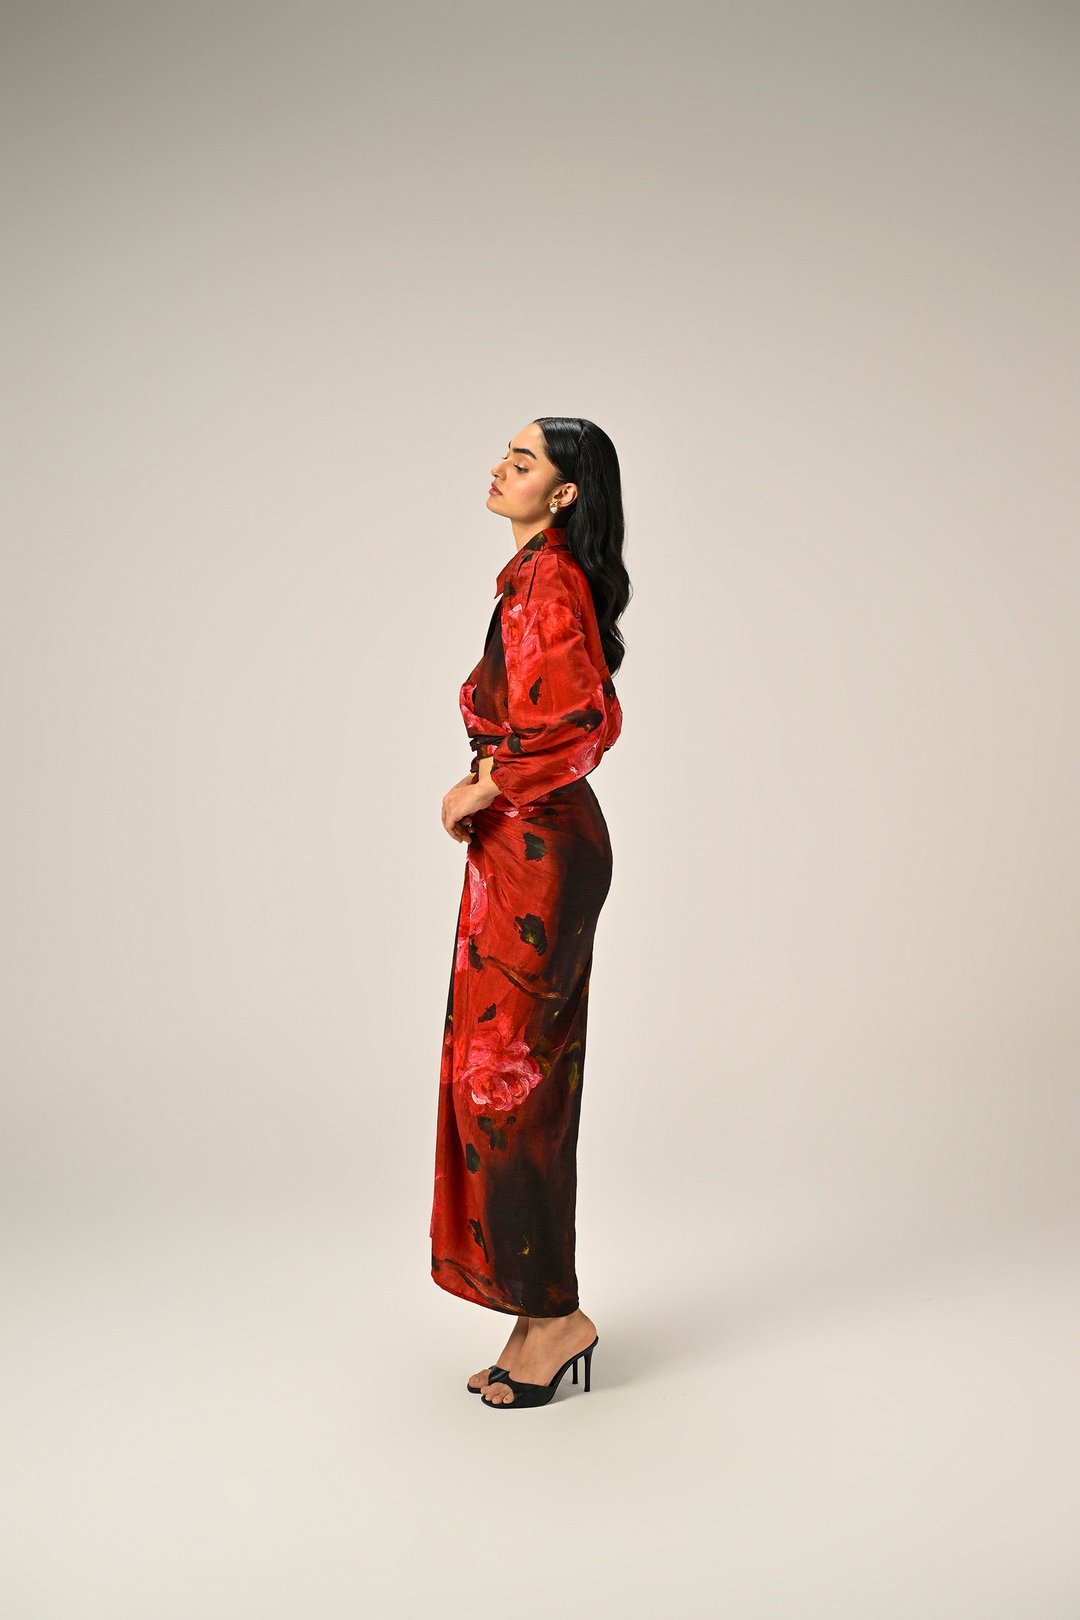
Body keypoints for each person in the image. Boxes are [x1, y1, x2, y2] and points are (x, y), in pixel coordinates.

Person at [429, 416, 630, 1410]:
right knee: (498, 1086)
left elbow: (583, 719)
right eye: (505, 456)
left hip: (541, 852)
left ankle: (555, 1318)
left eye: (523, 462)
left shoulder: (548, 580)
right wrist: (492, 791)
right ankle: (535, 1309)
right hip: (524, 851)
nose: (500, 469)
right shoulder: (533, 578)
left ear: (563, 493)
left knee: (509, 1088)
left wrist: (485, 784)